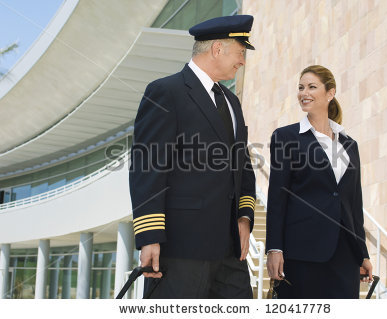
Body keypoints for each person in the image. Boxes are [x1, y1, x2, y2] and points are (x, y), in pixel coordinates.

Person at [129, 15, 256, 298]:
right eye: (240, 53)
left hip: (229, 252)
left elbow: (242, 165)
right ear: (218, 49)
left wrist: (245, 218)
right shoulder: (166, 91)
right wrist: (149, 236)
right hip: (180, 249)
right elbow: (148, 166)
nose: (242, 61)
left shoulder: (232, 101)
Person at [265, 65, 373, 299]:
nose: (304, 93)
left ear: (330, 93)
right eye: (301, 88)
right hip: (302, 252)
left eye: (312, 87)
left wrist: (362, 253)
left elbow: (354, 203)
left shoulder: (349, 144)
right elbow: (277, 197)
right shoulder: (286, 137)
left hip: (345, 255)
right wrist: (274, 248)